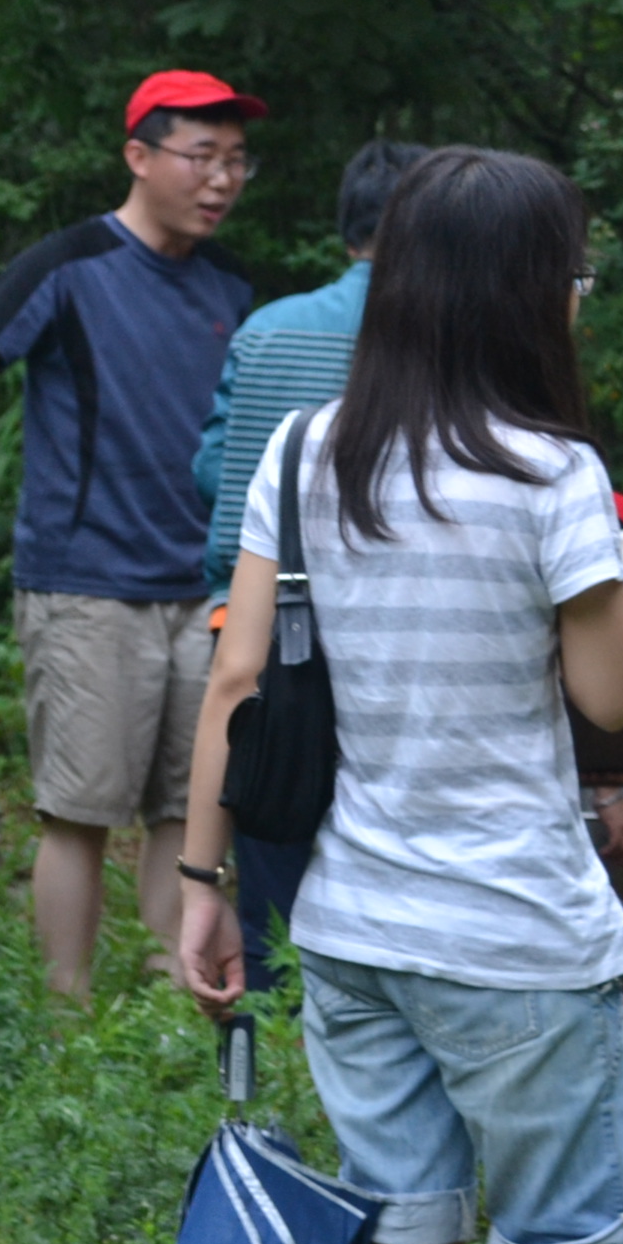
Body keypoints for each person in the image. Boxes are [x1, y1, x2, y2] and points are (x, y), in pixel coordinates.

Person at [168, 147, 623, 1244]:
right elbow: (614, 697)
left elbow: (238, 684)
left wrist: (201, 879)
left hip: (353, 926)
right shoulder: (551, 473)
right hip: (517, 936)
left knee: (398, 1234)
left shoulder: (305, 453)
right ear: (527, 293)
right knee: (575, 1243)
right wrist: (611, 583)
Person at [0, 71, 261, 997]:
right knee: (78, 810)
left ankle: (173, 1004)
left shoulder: (231, 288)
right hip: (86, 584)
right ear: (139, 155)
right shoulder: (69, 265)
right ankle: (65, 1022)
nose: (222, 179)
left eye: (237, 160)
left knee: (186, 807)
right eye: (201, 156)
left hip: (204, 589)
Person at [189, 138, 432, 993]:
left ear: (347, 228)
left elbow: (212, 470)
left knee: (274, 855)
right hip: (391, 639)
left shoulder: (266, 329)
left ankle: (271, 1030)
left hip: (255, 629)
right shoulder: (439, 340)